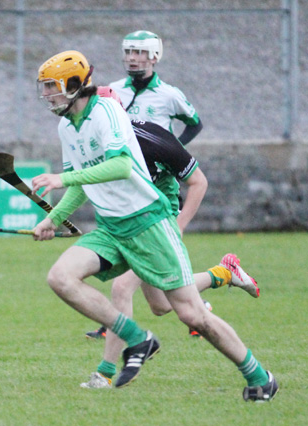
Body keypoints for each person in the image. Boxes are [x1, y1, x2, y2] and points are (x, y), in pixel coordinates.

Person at [32, 50, 278, 402]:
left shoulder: (106, 111)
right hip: (111, 228)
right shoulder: (65, 126)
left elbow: (119, 166)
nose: (47, 96)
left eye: (51, 88)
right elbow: (80, 184)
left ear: (74, 85)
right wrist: (52, 219)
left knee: (191, 315)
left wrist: (61, 177)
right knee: (60, 277)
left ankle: (259, 376)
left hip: (148, 223)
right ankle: (138, 338)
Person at [84, 87, 259, 343]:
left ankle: (107, 371)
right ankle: (223, 273)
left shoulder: (152, 138)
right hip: (133, 222)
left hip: (159, 220)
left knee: (121, 287)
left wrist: (178, 225)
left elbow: (199, 182)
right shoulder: (97, 144)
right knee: (161, 305)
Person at [110, 30, 203, 146]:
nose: (131, 58)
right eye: (128, 52)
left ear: (154, 57)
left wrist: (175, 151)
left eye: (138, 52)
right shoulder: (113, 90)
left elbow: (195, 124)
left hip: (156, 164)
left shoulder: (169, 95)